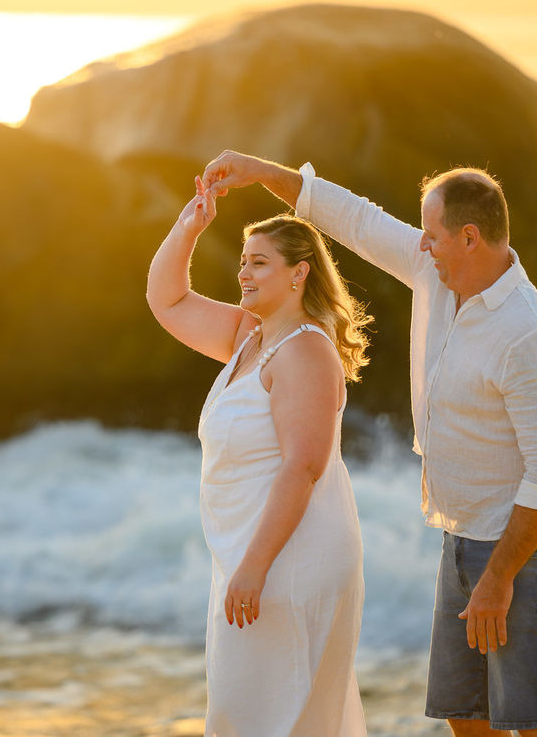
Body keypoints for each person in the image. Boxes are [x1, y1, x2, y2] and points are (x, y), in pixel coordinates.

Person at [200, 152, 537, 737]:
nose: (421, 246)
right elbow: (356, 221)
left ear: (469, 237)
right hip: (462, 534)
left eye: (431, 236)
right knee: (466, 717)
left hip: (525, 546)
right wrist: (264, 174)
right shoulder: (436, 274)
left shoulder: (528, 332)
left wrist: (498, 579)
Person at [146, 176, 372, 736]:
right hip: (251, 560)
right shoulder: (252, 337)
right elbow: (165, 298)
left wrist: (254, 566)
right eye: (243, 261)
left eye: (260, 263)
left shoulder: (305, 351)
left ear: (300, 273)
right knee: (242, 718)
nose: (244, 273)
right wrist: (190, 225)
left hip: (288, 562)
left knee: (275, 722)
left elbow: (304, 465)